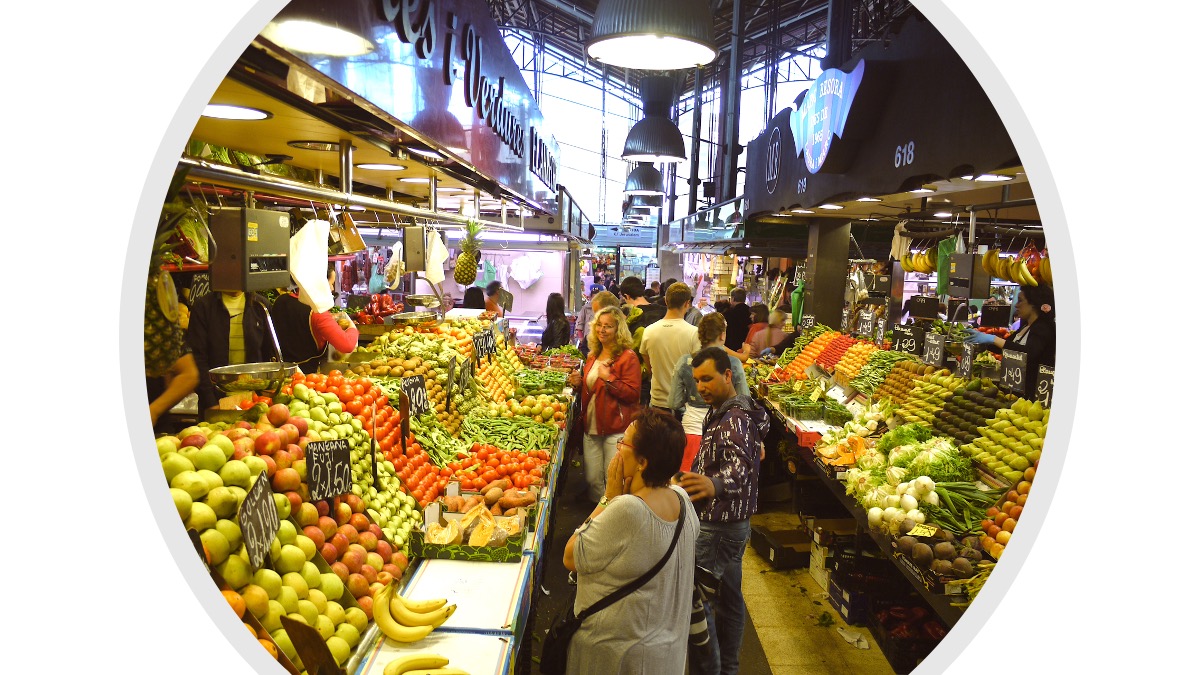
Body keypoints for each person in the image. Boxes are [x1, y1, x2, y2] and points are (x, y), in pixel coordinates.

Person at [563, 409, 699, 675]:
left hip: (618, 657)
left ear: (642, 462)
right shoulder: (682, 499)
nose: (618, 449)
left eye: (623, 442)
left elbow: (571, 557)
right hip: (667, 654)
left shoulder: (627, 509)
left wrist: (607, 499)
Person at [676, 346, 770, 675]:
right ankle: (728, 668)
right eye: (697, 379)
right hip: (731, 525)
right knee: (730, 602)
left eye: (708, 379)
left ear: (728, 376)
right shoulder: (723, 411)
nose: (701, 386)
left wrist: (714, 485)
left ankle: (710, 670)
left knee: (694, 603)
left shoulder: (734, 420)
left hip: (720, 528)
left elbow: (740, 468)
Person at [566, 307, 643, 502]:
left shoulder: (628, 357)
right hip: (591, 428)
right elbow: (592, 386)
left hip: (615, 429)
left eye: (608, 326)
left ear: (618, 329)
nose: (602, 330)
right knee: (592, 479)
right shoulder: (593, 355)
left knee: (614, 480)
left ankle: (612, 518)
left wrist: (609, 379)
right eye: (599, 325)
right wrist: (579, 382)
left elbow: (633, 394)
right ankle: (599, 513)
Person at [668, 314, 751, 472]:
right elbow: (744, 401)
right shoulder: (733, 363)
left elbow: (674, 402)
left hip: (692, 431)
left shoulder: (685, 362)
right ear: (722, 335)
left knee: (689, 485)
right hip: (727, 431)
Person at [187, 289, 275, 411]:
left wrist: (265, 394)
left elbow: (269, 354)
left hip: (254, 400)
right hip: (216, 398)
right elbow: (198, 358)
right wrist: (210, 402)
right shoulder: (204, 306)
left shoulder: (261, 306)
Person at [966, 285, 1056, 375]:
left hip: (1034, 385)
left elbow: (1028, 353)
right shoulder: (1025, 326)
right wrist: (984, 344)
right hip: (1016, 381)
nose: (1016, 305)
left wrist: (993, 339)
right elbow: (1008, 347)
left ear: (1034, 304)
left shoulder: (1043, 328)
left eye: (1020, 300)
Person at [640, 283, 702, 413]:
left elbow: (649, 367)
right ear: (687, 303)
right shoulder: (694, 333)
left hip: (657, 401)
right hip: (684, 403)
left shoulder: (649, 331)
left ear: (665, 301)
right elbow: (697, 370)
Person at [271, 288, 361, 374]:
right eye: (331, 283)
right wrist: (352, 327)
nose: (332, 288)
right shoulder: (317, 312)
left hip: (278, 372)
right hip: (305, 376)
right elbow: (347, 345)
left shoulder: (280, 300)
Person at [620, 276, 668, 405]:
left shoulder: (633, 318)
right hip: (666, 374)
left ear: (626, 296)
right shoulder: (664, 312)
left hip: (641, 378)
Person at [575, 284, 606, 352]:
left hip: (601, 342)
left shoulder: (605, 310)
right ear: (590, 298)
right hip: (587, 341)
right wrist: (581, 338)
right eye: (594, 298)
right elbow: (579, 323)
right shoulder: (586, 308)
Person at [722, 288, 752, 352]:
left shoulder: (728, 313)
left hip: (730, 348)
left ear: (732, 299)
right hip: (747, 347)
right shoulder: (751, 312)